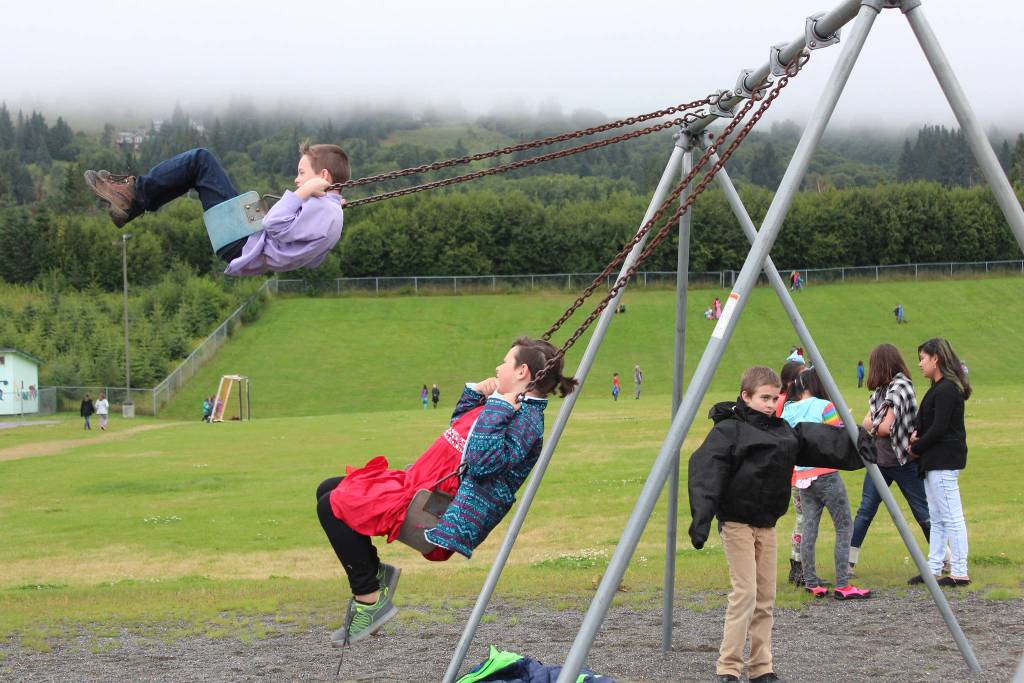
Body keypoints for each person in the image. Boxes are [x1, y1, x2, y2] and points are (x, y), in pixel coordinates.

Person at [316, 337, 578, 646]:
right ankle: (375, 576)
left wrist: (496, 408)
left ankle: (369, 599)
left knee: (331, 505)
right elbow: (460, 428)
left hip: (434, 513)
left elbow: (483, 463)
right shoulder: (507, 403)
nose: (497, 367)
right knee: (329, 488)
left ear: (522, 371)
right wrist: (477, 395)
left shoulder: (526, 422)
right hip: (415, 485)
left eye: (504, 362)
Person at [688, 366, 875, 683]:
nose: (770, 404)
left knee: (766, 598)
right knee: (745, 594)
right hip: (736, 524)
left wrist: (860, 441)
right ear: (746, 396)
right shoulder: (729, 431)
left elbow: (820, 442)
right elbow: (708, 471)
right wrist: (702, 521)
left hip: (767, 525)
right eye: (763, 397)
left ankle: (761, 667)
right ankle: (728, 667)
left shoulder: (783, 431)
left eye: (775, 398)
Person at [84, 143, 348, 276]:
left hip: (242, 241)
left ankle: (134, 196)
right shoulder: (331, 214)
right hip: (249, 242)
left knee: (201, 160)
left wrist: (304, 195)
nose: (297, 180)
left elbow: (274, 224)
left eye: (302, 173)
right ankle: (133, 203)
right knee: (197, 175)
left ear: (323, 176)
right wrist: (328, 203)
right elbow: (313, 258)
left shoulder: (325, 212)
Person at [781, 368, 870, 599]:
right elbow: (839, 433)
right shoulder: (825, 407)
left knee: (810, 526)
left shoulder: (788, 410)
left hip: (802, 476)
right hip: (826, 474)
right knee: (844, 526)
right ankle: (843, 584)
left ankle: (811, 581)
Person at [852, 344, 930, 575]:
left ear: (881, 364)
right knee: (865, 510)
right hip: (880, 462)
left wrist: (874, 425)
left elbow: (883, 428)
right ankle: (848, 561)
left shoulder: (900, 387)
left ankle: (942, 559)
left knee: (922, 511)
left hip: (903, 461)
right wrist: (876, 424)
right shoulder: (880, 391)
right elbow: (871, 423)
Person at [908, 338, 972, 587]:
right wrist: (917, 436)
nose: (920, 363)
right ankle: (933, 569)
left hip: (944, 460)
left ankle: (959, 571)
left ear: (936, 359)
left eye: (923, 357)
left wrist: (916, 447)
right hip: (934, 461)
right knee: (937, 517)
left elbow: (940, 428)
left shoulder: (947, 389)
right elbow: (928, 422)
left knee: (951, 516)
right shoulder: (938, 388)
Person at [775, 360, 807, 586]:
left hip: (794, 470)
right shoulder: (787, 404)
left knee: (803, 519)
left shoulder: (784, 402)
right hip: (798, 471)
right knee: (804, 519)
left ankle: (798, 564)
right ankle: (797, 565)